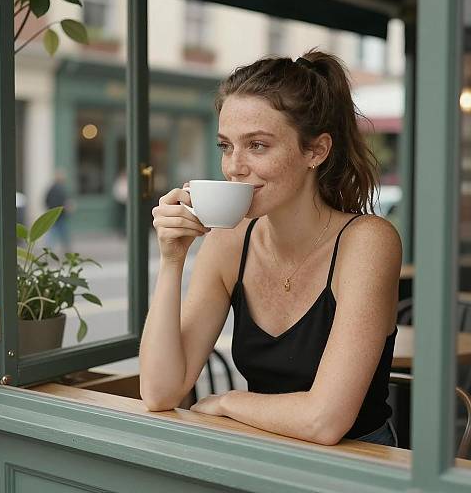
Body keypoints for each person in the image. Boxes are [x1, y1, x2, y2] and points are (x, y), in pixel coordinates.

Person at [139, 51, 402, 447]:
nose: (234, 167)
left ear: (316, 151)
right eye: (226, 146)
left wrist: (229, 402)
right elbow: (160, 392)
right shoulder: (230, 240)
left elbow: (324, 421)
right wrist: (172, 259)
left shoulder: (367, 240)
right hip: (265, 452)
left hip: (360, 465)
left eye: (258, 146)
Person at [45, 169, 72, 253]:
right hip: (59, 215)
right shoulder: (59, 189)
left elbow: (46, 200)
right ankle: (65, 249)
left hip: (53, 215)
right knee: (61, 233)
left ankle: (49, 249)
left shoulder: (52, 188)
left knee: (54, 232)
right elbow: (62, 202)